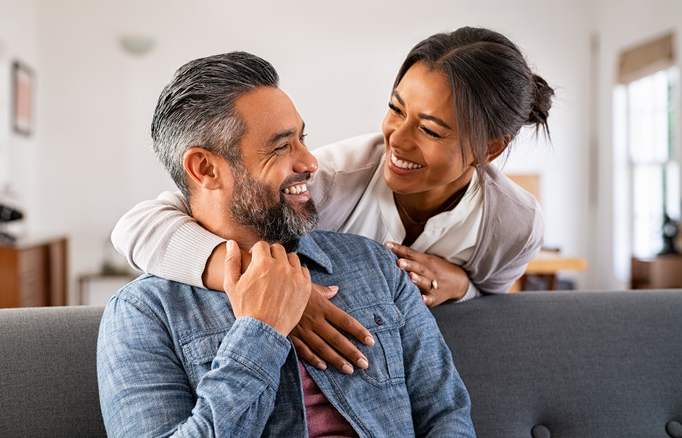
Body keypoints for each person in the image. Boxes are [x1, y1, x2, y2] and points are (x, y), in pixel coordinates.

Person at [111, 26, 553, 372]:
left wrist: (462, 287)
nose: (396, 140)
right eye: (396, 109)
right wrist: (271, 287)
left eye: (431, 129)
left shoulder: (515, 225)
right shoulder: (331, 179)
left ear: (490, 149)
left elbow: (493, 302)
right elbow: (138, 226)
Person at [97, 51, 475, 437]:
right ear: (206, 169)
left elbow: (446, 414)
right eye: (281, 147)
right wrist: (260, 330)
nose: (310, 161)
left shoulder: (376, 264)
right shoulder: (143, 314)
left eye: (302, 138)